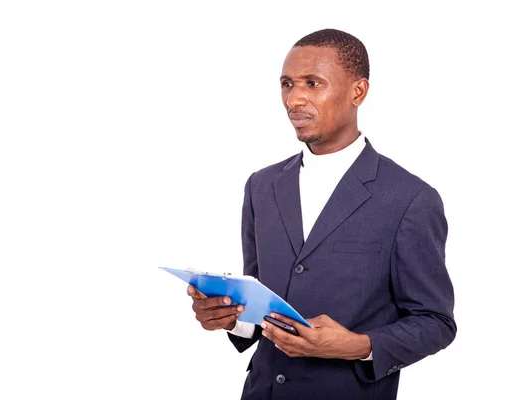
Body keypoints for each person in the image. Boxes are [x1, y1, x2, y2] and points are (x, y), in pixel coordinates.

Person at [187, 28, 456, 400]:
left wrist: (356, 345)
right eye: (287, 84)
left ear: (357, 92)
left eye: (313, 83)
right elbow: (259, 298)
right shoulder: (261, 186)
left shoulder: (410, 199)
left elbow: (435, 323)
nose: (294, 99)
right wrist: (230, 319)